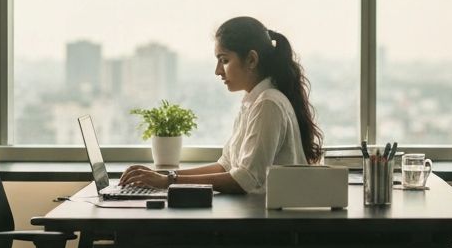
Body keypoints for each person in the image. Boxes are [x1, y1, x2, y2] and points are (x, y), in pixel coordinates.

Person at [120, 16, 323, 195]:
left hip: (267, 227)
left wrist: (168, 181)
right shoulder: (253, 103)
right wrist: (162, 176)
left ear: (251, 60)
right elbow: (225, 166)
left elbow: (245, 179)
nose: (218, 71)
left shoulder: (268, 104)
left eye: (224, 60)